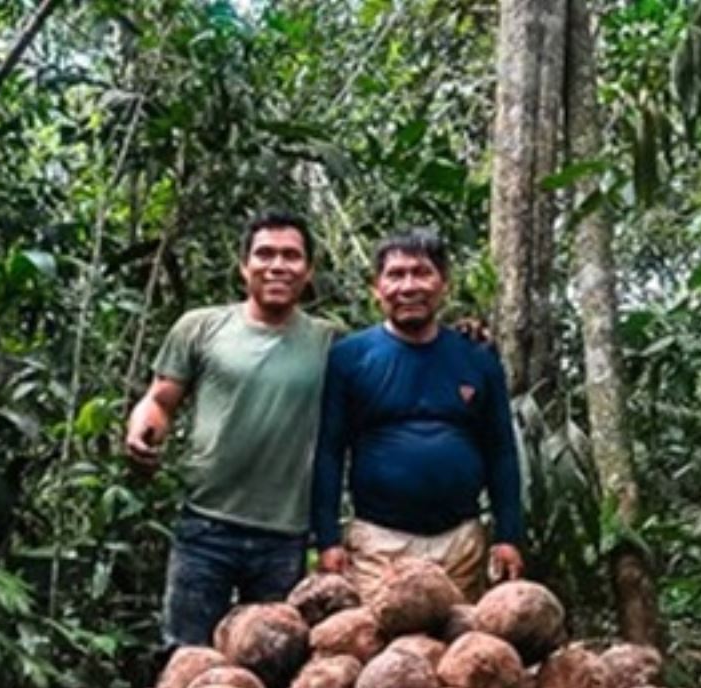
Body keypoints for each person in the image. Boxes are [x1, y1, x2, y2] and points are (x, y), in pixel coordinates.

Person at [125, 212, 338, 649]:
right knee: (186, 656)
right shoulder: (200, 328)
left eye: (291, 256)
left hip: (285, 531)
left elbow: (398, 352)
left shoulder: (331, 342)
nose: (277, 265)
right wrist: (142, 430)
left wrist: (466, 337)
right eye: (265, 254)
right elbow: (161, 400)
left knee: (274, 667)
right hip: (206, 526)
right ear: (244, 266)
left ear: (308, 270)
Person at [310, 228, 525, 601]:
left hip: (461, 544)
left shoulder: (477, 357)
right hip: (379, 544)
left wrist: (508, 536)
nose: (408, 286)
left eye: (421, 272)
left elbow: (501, 451)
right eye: (395, 275)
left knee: (463, 652)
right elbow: (329, 452)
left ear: (444, 284)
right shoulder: (349, 357)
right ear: (376, 288)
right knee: (377, 653)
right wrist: (327, 539)